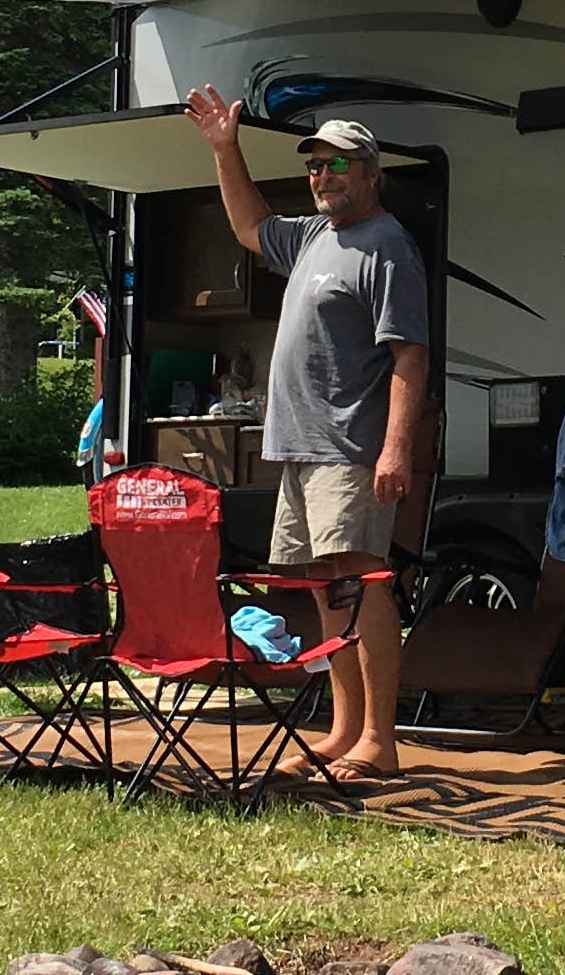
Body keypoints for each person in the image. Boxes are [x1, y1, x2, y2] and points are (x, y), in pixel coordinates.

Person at [178, 89, 431, 779]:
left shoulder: (387, 248)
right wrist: (225, 150)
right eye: (316, 166)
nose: (323, 176)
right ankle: (344, 730)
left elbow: (410, 355)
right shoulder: (316, 237)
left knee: (363, 586)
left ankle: (381, 741)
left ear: (371, 174)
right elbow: (251, 227)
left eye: (337, 165)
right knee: (327, 591)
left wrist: (396, 446)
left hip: (350, 448)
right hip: (298, 446)